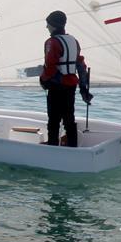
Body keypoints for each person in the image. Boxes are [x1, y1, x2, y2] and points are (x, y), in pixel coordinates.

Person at [39, 10, 93, 147]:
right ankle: (72, 146)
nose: (46, 27)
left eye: (48, 24)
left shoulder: (52, 42)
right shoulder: (74, 41)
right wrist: (83, 88)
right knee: (69, 116)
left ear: (53, 25)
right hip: (71, 86)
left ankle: (52, 144)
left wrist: (43, 80)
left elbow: (50, 66)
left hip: (57, 86)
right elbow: (80, 65)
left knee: (54, 117)